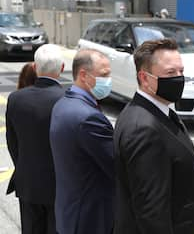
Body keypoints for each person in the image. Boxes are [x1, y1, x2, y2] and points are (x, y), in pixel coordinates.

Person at [113, 38, 194, 234]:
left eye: (181, 71)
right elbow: (152, 213)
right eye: (170, 73)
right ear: (145, 78)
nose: (179, 78)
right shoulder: (143, 129)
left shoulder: (159, 112)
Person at [50, 49, 115, 234]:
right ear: (84, 75)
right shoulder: (88, 118)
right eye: (104, 75)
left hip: (71, 212)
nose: (109, 80)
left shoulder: (63, 104)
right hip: (89, 219)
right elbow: (116, 165)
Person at [5, 44, 65, 234]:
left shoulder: (16, 99)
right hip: (61, 186)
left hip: (28, 184)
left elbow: (12, 143)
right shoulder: (69, 99)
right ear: (62, 68)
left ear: (34, 67)